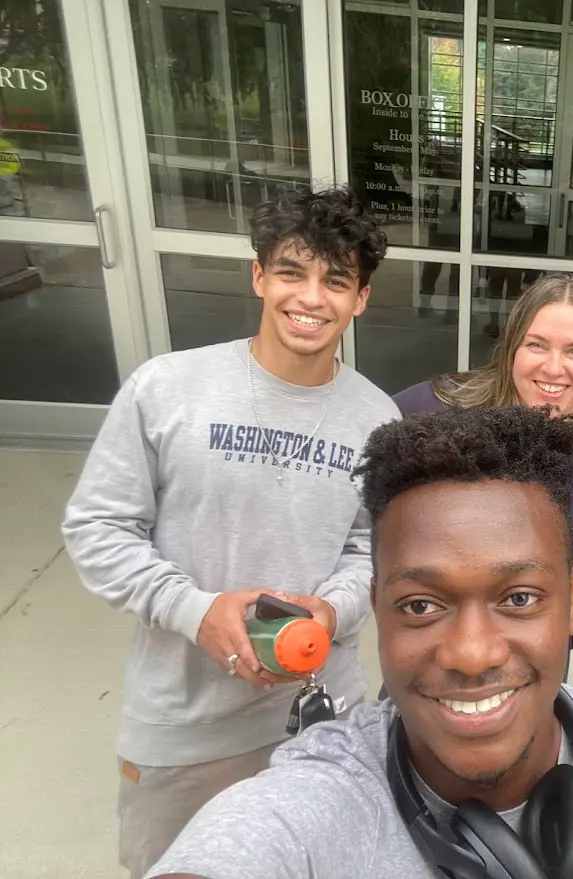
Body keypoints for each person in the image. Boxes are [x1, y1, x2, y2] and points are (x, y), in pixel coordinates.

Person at [145, 405, 573, 879]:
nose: (472, 654)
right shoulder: (311, 806)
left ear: (572, 600)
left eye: (518, 598)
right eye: (421, 605)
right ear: (378, 609)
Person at [61, 185, 399, 879]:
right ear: (258, 276)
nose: (311, 297)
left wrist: (332, 610)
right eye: (291, 272)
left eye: (336, 281)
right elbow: (98, 527)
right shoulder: (166, 388)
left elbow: (375, 547)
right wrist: (196, 611)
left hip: (322, 718)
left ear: (361, 298)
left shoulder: (377, 418)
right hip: (186, 723)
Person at [395, 273, 573, 651]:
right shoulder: (445, 409)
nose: (553, 368)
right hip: (450, 633)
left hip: (543, 625)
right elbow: (360, 426)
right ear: (512, 347)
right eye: (536, 345)